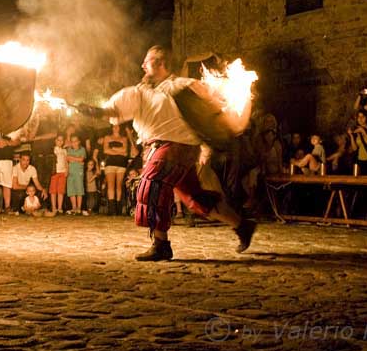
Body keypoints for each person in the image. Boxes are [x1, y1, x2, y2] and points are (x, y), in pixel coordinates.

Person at [78, 45, 255, 261]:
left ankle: (161, 244)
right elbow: (113, 110)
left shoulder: (181, 86)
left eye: (148, 60)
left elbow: (214, 104)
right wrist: (93, 111)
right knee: (196, 198)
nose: (143, 64)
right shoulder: (140, 93)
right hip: (168, 150)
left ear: (161, 63)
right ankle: (242, 225)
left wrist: (224, 118)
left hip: (177, 148)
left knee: (151, 185)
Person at [101, 123, 129, 215]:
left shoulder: (124, 138)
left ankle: (118, 209)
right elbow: (105, 150)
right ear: (112, 128)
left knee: (119, 185)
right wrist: (119, 150)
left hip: (121, 164)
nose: (116, 128)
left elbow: (125, 152)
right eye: (114, 126)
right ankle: (112, 210)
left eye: (118, 126)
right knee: (111, 185)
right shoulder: (107, 137)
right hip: (110, 163)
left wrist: (112, 149)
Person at [47, 134, 68, 215]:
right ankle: (54, 207)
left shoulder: (64, 151)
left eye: (61, 140)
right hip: (55, 172)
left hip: (62, 172)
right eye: (58, 140)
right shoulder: (53, 149)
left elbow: (66, 161)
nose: (60, 142)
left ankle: (59, 208)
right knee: (53, 191)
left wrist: (67, 170)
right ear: (55, 141)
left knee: (61, 191)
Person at [66, 135, 86, 215]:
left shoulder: (82, 149)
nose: (74, 143)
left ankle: (79, 208)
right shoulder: (69, 149)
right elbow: (67, 159)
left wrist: (73, 158)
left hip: (79, 172)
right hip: (71, 172)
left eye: (75, 141)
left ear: (79, 141)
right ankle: (74, 207)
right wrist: (77, 159)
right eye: (72, 141)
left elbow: (82, 159)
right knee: (71, 190)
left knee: (79, 189)